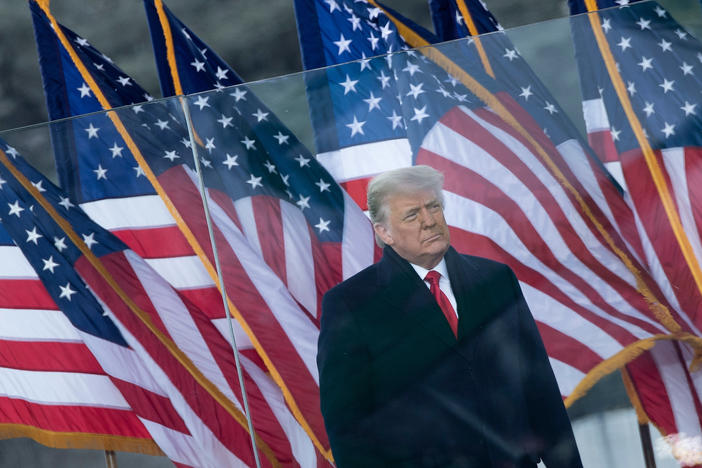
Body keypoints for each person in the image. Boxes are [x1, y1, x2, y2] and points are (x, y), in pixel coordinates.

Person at [317, 166, 582, 467]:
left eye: (433, 207)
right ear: (384, 232)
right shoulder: (350, 303)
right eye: (412, 215)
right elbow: (348, 428)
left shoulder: (496, 280)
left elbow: (540, 391)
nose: (429, 221)